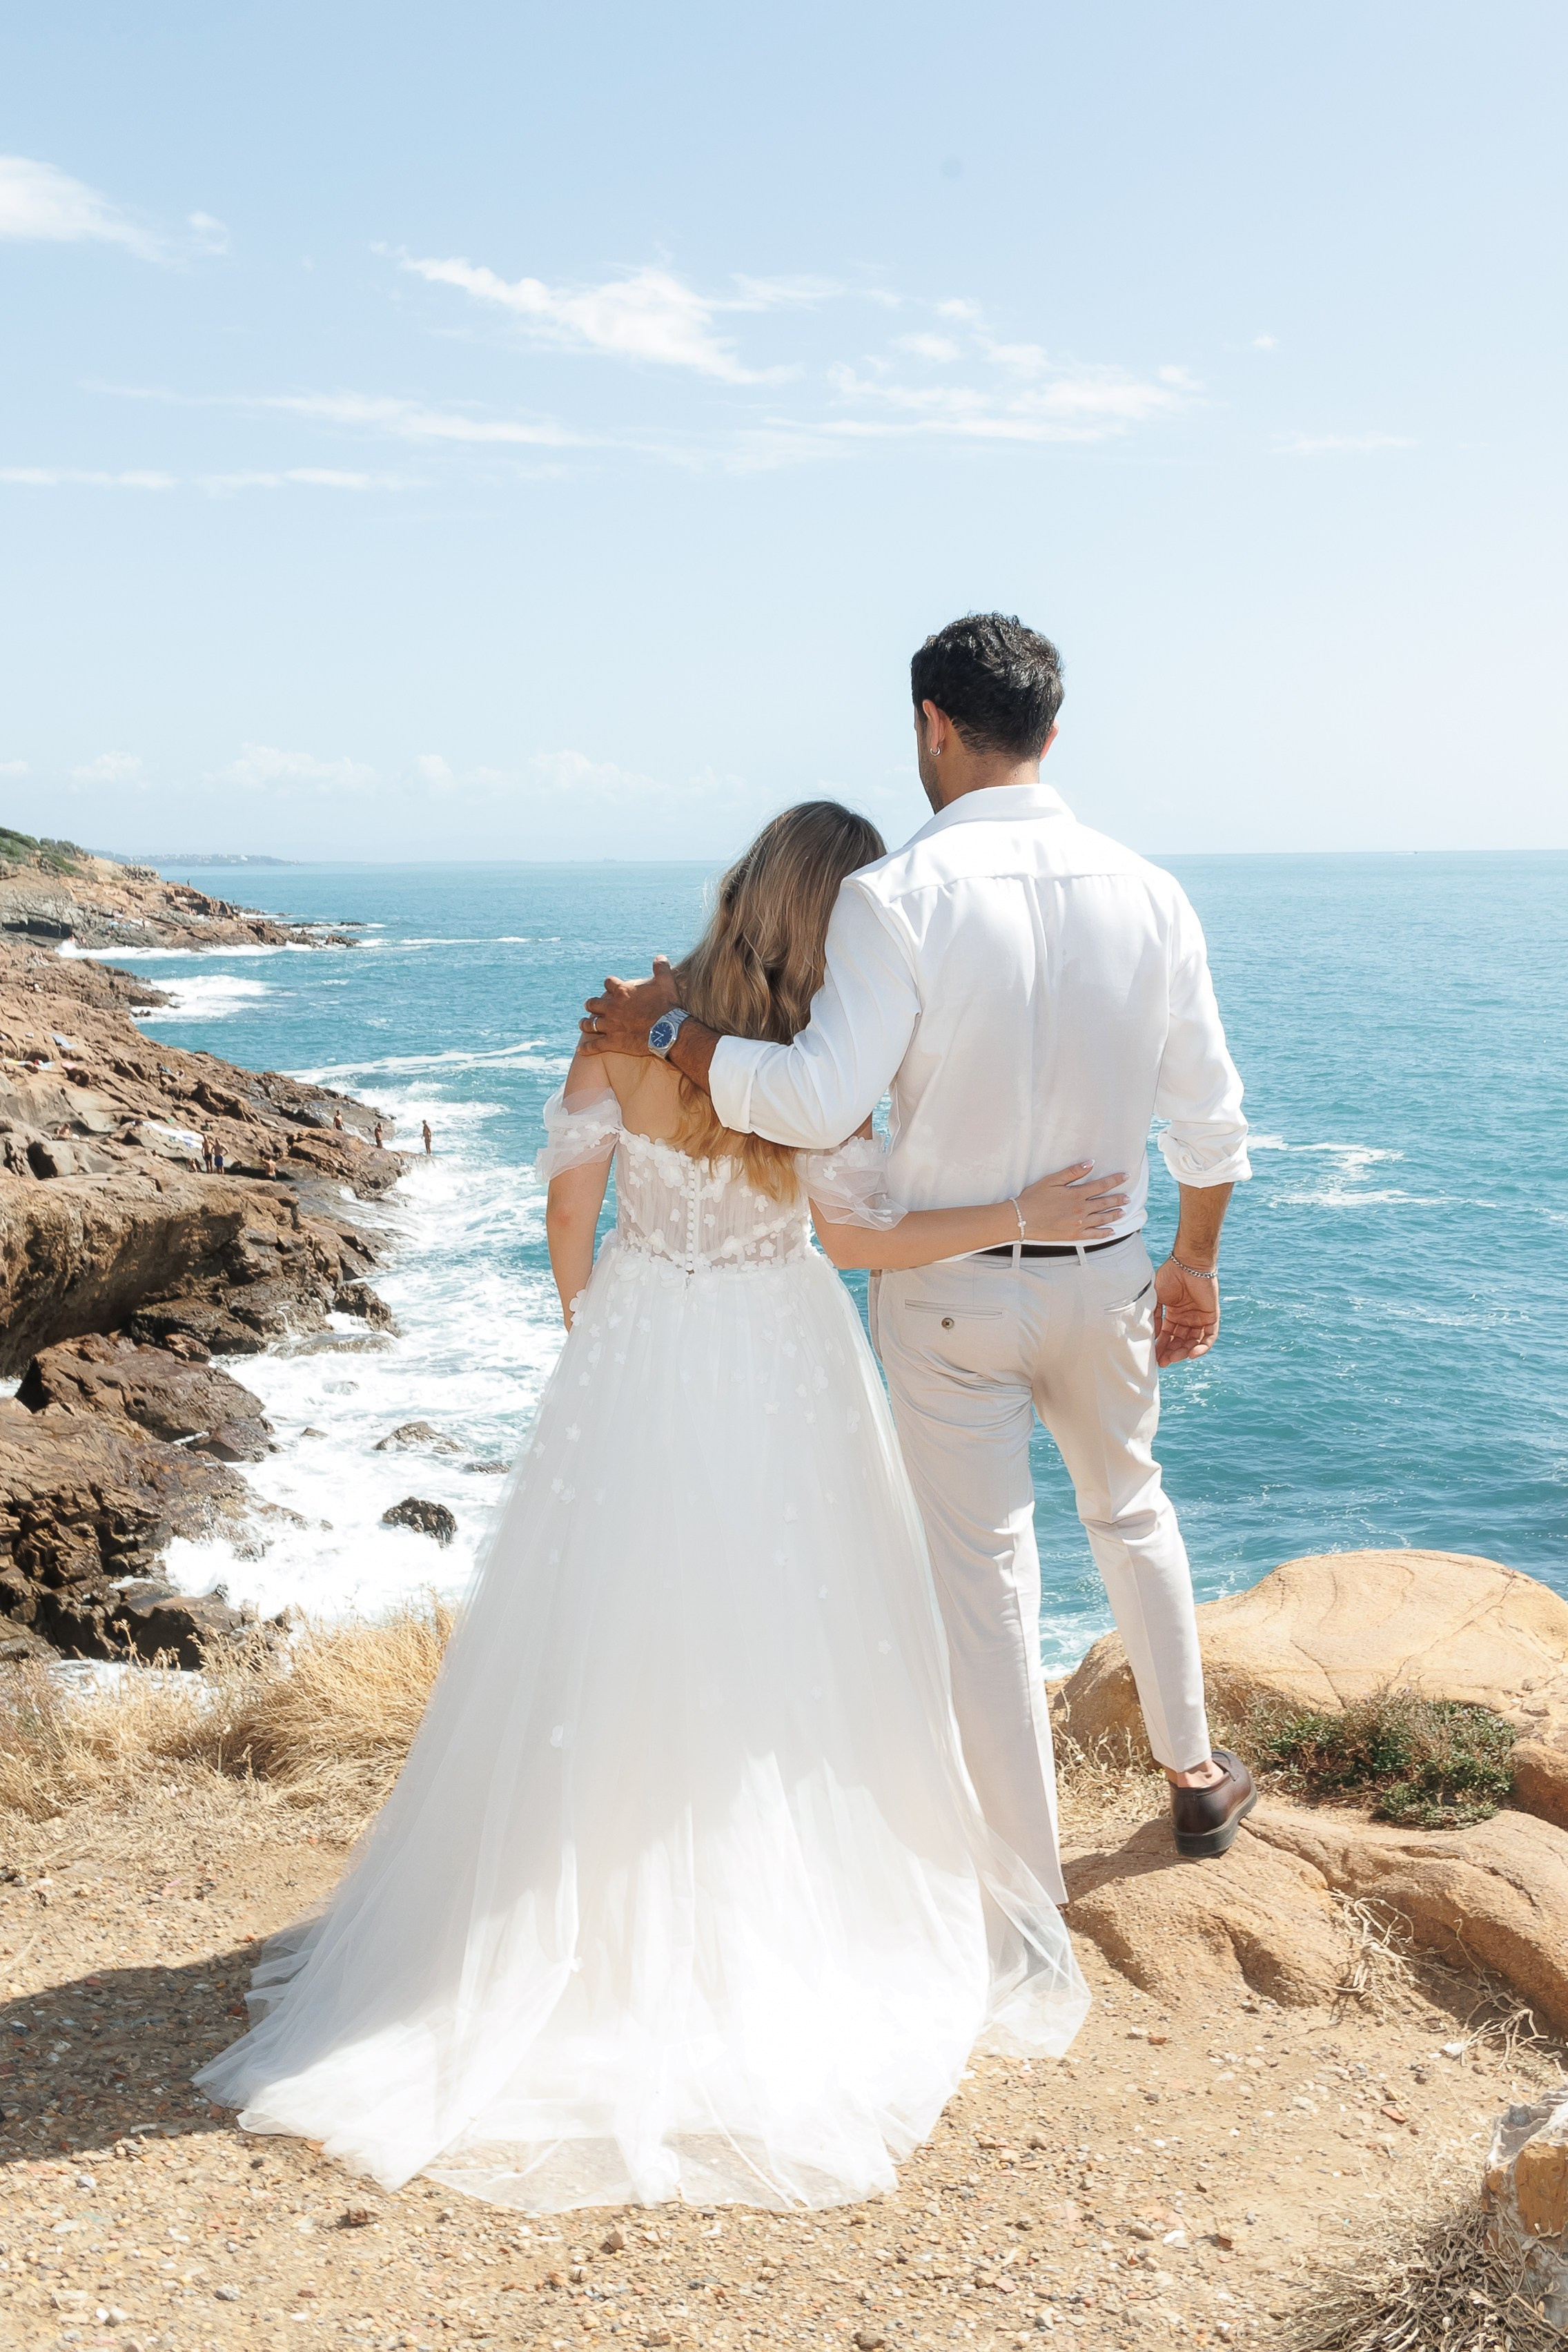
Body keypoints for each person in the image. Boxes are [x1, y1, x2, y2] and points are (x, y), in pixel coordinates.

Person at [196, 801, 1098, 2214]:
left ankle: (574, 1922)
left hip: (639, 1341)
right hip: (780, 1354)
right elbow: (859, 1239)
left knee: (611, 1620)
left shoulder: (626, 1024)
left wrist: (589, 1320)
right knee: (783, 1633)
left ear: (739, 892)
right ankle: (754, 1915)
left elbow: (569, 1207)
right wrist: (1022, 1213)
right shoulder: (818, 1064)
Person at [584, 614, 1256, 1886]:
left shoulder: (893, 898)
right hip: (1108, 1273)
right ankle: (1195, 1778)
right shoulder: (1152, 893)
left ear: (932, 726)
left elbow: (813, 1103)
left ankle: (1026, 1884)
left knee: (986, 1579)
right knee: (1131, 1510)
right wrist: (1195, 1262)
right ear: (1053, 730)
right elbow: (1210, 1123)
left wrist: (672, 1030)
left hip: (948, 1294)